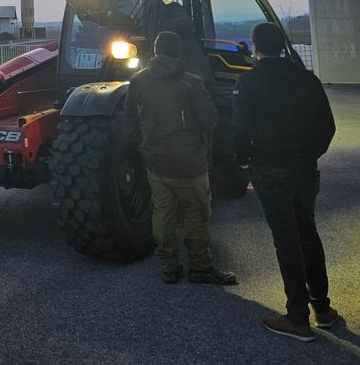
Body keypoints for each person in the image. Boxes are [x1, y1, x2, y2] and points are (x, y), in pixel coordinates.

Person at [235, 22, 338, 342]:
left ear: (255, 48)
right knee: (308, 230)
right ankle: (323, 308)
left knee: (286, 240)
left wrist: (245, 161)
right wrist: (309, 154)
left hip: (268, 169)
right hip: (305, 168)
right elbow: (328, 127)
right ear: (282, 45)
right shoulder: (307, 79)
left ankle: (297, 317)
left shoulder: (248, 81)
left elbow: (241, 130)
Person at [125, 30, 236, 285]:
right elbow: (210, 119)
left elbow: (129, 118)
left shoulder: (138, 81)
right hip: (190, 162)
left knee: (162, 213)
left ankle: (169, 266)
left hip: (155, 161)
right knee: (196, 213)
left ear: (154, 50)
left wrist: (143, 144)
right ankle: (200, 266)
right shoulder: (192, 82)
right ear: (178, 51)